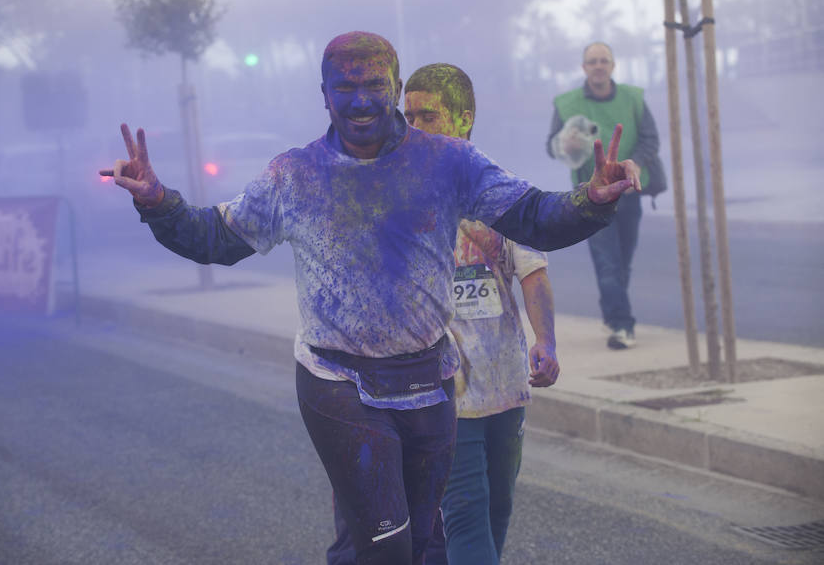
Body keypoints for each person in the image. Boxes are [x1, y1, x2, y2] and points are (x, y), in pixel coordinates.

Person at [100, 31, 639, 565]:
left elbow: (534, 217)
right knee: (389, 548)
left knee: (427, 545)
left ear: (396, 86)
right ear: (324, 94)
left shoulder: (450, 162)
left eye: (375, 85)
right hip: (339, 384)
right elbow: (215, 237)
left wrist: (591, 200)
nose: (360, 101)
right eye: (345, 86)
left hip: (430, 381)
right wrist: (158, 202)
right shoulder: (295, 175)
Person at [326, 63, 559, 565]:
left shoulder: (500, 191)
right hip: (441, 395)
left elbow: (532, 270)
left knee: (495, 516)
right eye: (407, 115)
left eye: (427, 115)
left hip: (506, 385)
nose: (414, 127)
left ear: (464, 118)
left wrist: (547, 342)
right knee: (466, 521)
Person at [547, 41, 659, 350]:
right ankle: (622, 325)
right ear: (584, 68)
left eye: (603, 60)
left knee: (623, 260)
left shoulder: (634, 99)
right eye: (592, 61)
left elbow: (651, 139)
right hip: (590, 197)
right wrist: (565, 146)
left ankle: (612, 313)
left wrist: (635, 161)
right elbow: (551, 145)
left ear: (612, 65)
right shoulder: (566, 104)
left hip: (629, 192)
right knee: (608, 261)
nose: (598, 65)